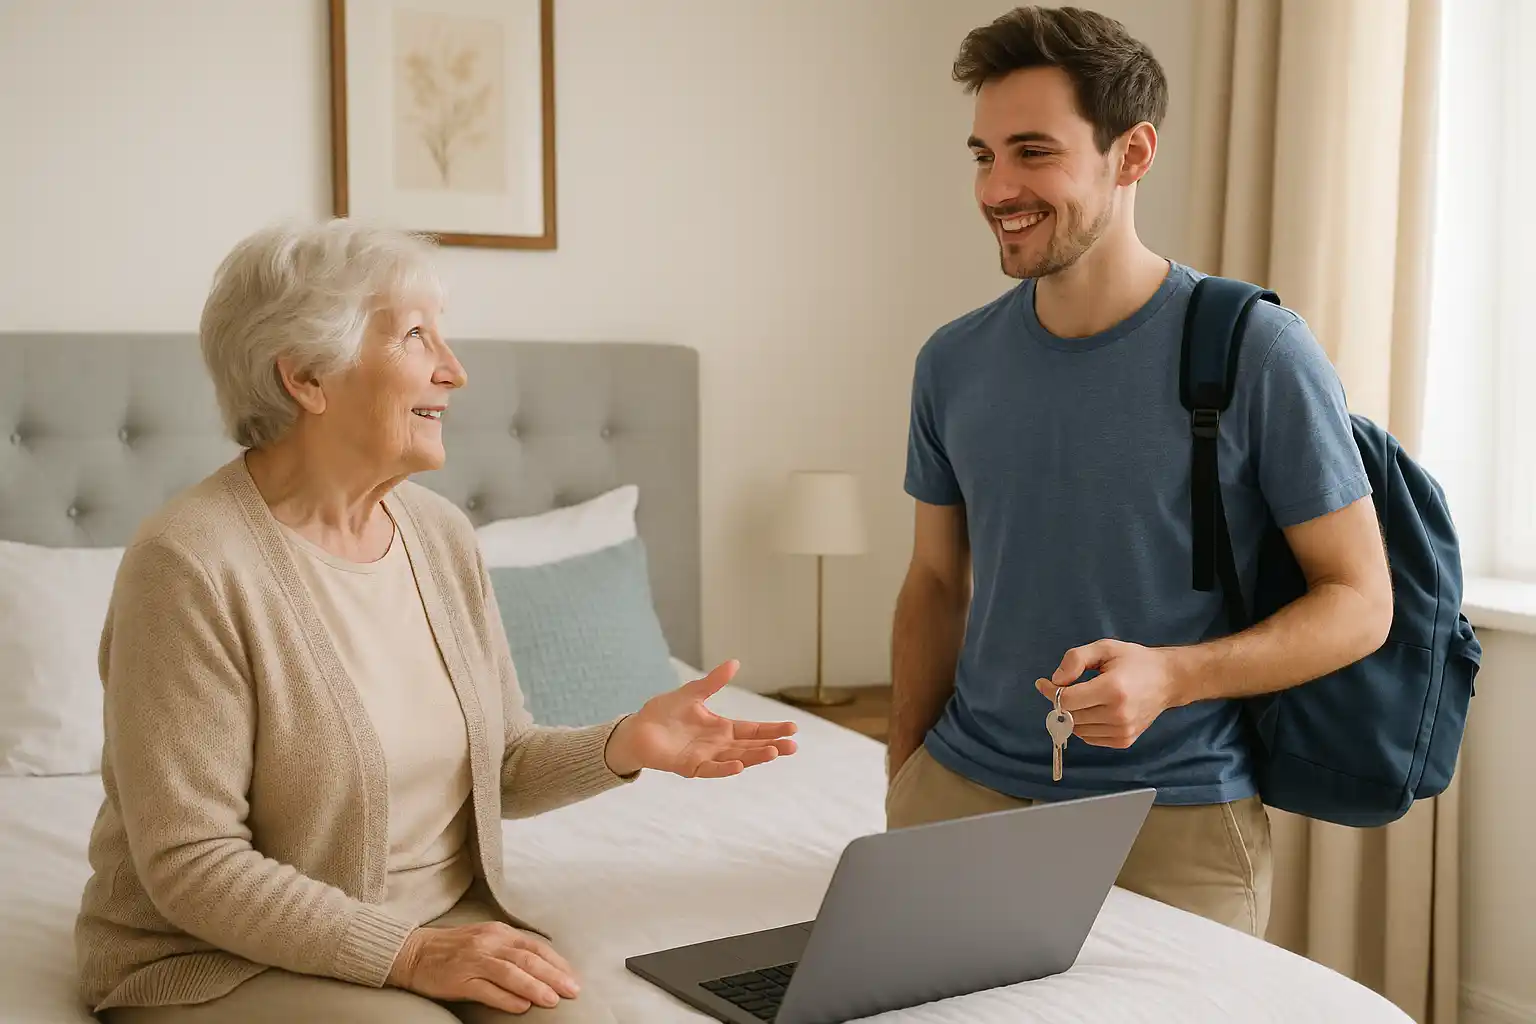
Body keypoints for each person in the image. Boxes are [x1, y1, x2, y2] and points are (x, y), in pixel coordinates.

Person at [74, 219, 799, 1023]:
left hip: (431, 923)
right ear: (307, 377)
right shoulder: (189, 563)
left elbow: (502, 764)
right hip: (214, 953)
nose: (453, 372)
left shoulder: (439, 534)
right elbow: (193, 863)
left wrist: (626, 743)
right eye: (417, 337)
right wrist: (409, 955)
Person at [885, 5, 1393, 940]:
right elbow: (934, 579)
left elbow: (1361, 601)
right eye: (983, 154)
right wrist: (907, 775)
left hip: (1174, 825)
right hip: (957, 797)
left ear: (1133, 153)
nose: (998, 187)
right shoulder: (950, 363)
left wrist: (1173, 676)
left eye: (1033, 152)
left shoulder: (1257, 350)